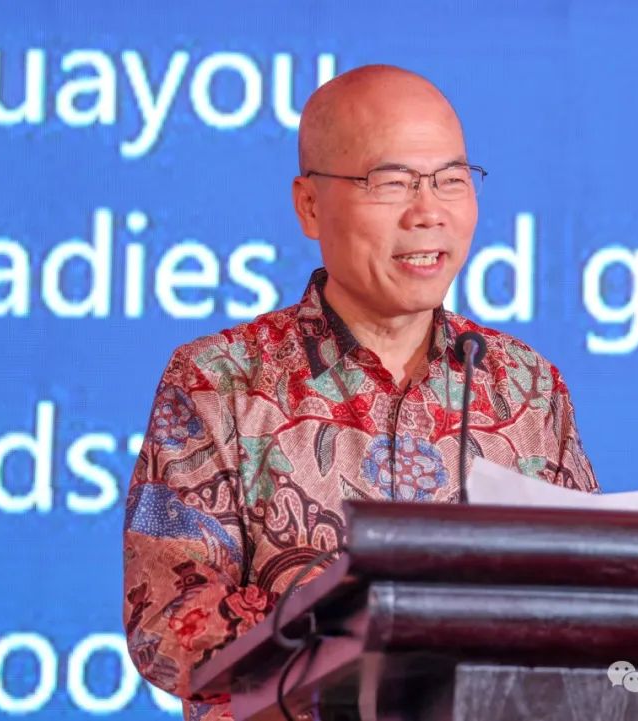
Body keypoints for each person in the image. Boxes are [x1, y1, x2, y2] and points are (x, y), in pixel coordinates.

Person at [122, 64, 598, 721]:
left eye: (451, 180)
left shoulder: (525, 385)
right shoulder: (219, 380)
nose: (428, 212)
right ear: (310, 205)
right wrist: (366, 651)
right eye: (392, 182)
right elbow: (170, 622)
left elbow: (588, 595)